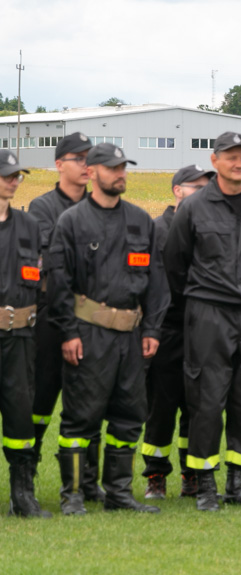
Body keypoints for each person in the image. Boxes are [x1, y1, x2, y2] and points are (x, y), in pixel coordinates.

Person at [48, 143, 169, 514]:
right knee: (81, 416)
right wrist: (68, 332)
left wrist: (152, 329)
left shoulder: (140, 221)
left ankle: (118, 493)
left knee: (130, 414)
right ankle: (73, 496)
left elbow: (156, 280)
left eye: (124, 168)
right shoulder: (72, 221)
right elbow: (58, 281)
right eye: (113, 168)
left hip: (131, 337)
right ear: (93, 173)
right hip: (88, 334)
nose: (121, 174)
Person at [163, 132, 241, 512]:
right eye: (231, 156)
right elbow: (174, 264)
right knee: (207, 399)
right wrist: (199, 302)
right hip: (209, 312)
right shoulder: (195, 206)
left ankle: (238, 484)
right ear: (215, 161)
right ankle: (206, 485)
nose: (239, 163)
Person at [29, 132, 104, 501]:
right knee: (40, 402)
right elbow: (52, 263)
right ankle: (24, 480)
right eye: (79, 158)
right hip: (51, 317)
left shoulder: (101, 207)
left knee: (90, 404)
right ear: (59, 164)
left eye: (90, 158)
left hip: (91, 320)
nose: (87, 165)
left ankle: (88, 484)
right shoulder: (42, 208)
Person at [141, 164, 213, 499]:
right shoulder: (156, 230)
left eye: (205, 187)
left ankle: (191, 474)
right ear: (177, 190)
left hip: (201, 331)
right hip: (166, 330)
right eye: (195, 187)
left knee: (196, 408)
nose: (202, 192)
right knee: (161, 408)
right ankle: (156, 475)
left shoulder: (207, 229)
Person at [0, 151, 51, 517]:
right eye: (6, 174)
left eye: (17, 175)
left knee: (20, 414)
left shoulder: (29, 225)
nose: (13, 180)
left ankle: (23, 494)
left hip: (19, 337)